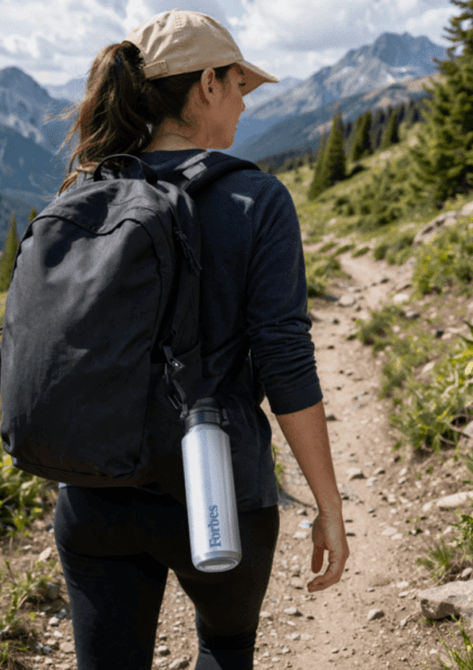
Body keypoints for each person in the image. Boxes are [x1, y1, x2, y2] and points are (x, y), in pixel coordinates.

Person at [52, 9, 349, 670]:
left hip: (96, 495)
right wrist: (328, 505)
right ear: (208, 84)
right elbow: (284, 361)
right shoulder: (256, 201)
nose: (244, 104)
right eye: (241, 85)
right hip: (219, 491)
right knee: (224, 648)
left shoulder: (87, 190)